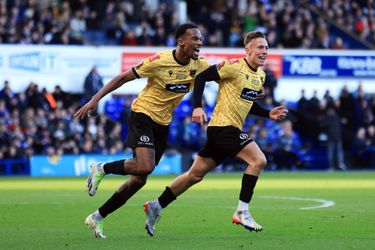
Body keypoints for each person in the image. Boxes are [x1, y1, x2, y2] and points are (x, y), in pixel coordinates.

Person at [143, 31, 288, 236]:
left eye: (266, 47)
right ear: (248, 50)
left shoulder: (260, 75)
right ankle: (242, 211)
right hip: (222, 128)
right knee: (258, 161)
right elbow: (201, 77)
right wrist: (198, 107)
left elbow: (246, 103)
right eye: (260, 47)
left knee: (194, 175)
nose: (264, 51)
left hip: (226, 131)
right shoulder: (233, 66)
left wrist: (267, 113)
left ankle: (156, 205)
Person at [74, 23, 209, 239]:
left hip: (163, 124)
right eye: (194, 38)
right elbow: (121, 78)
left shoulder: (200, 65)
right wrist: (95, 99)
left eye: (200, 39)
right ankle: (102, 168)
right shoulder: (159, 61)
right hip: (142, 114)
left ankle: (97, 217)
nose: (199, 42)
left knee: (139, 179)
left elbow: (223, 76)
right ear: (181, 41)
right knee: (145, 165)